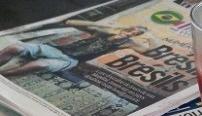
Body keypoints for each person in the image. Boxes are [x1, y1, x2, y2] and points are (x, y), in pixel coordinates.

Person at [0, 24, 158, 77]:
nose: (131, 33)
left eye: (136, 33)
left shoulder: (126, 43)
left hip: (70, 60)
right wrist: (108, 26)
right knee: (14, 47)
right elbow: (76, 22)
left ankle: (4, 76)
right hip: (56, 49)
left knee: (40, 65)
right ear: (126, 28)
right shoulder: (103, 32)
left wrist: (150, 37)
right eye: (131, 30)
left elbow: (152, 52)